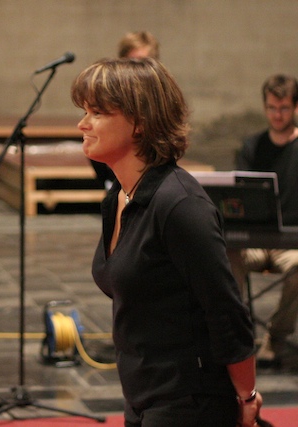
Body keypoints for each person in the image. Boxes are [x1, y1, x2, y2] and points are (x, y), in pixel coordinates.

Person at [71, 58, 261, 426]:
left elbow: (227, 311)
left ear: (139, 122)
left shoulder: (180, 205)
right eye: (84, 111)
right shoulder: (119, 197)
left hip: (189, 401)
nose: (83, 123)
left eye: (97, 112)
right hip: (143, 395)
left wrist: (247, 396)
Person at [228, 74, 298, 369]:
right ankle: (235, 337)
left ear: (295, 107)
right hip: (255, 240)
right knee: (225, 255)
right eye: (271, 108)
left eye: (283, 108)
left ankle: (275, 339)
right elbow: (237, 199)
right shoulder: (252, 146)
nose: (277, 115)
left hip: (291, 243)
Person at [90, 31, 161, 190]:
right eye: (131, 62)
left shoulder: (161, 98)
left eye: (142, 62)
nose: (135, 69)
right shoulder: (110, 96)